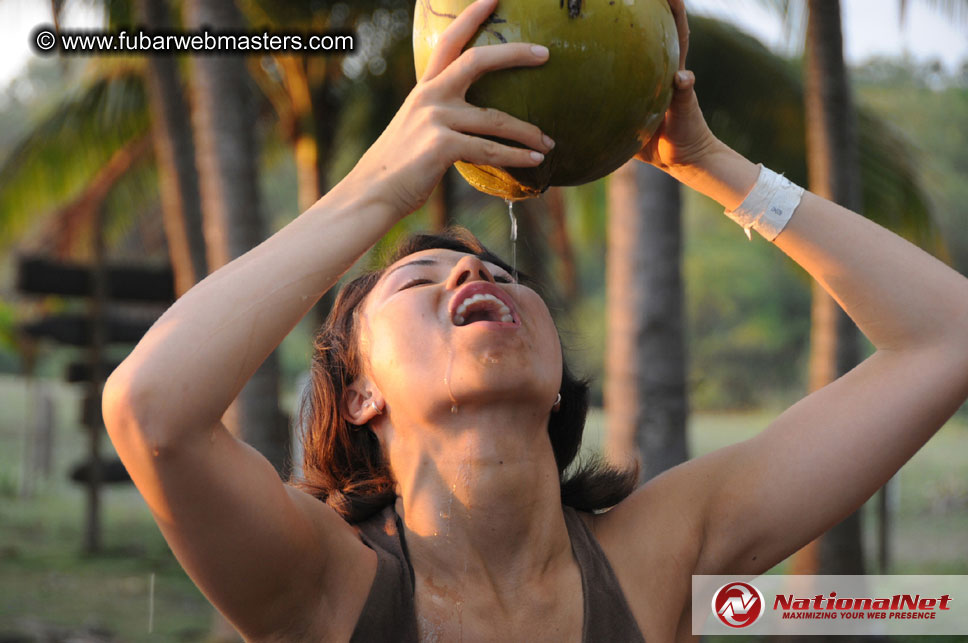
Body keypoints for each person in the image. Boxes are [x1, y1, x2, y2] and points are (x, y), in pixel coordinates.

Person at [103, 0, 968, 640]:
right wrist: (384, 184)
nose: (475, 269)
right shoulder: (322, 583)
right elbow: (150, 411)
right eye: (418, 282)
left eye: (495, 273)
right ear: (359, 389)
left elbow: (947, 336)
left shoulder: (659, 554)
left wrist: (711, 165)